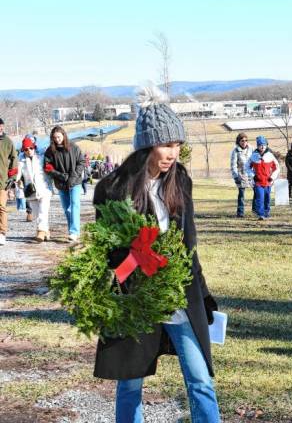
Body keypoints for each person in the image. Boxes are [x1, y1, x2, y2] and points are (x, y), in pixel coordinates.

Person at [93, 85, 221, 423]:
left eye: (177, 145)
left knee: (200, 379)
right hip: (135, 297)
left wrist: (203, 293)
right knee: (130, 384)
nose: (173, 153)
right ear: (147, 144)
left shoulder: (181, 182)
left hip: (180, 295)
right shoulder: (112, 189)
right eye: (166, 144)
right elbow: (107, 252)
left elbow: (189, 245)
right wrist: (136, 256)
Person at [44, 126, 85, 242]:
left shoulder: (74, 147)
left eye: (59, 137)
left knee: (75, 205)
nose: (57, 139)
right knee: (67, 209)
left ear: (64, 135)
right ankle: (71, 228)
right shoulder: (50, 151)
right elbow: (47, 167)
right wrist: (60, 176)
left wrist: (73, 176)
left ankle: (74, 232)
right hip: (61, 183)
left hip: (75, 182)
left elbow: (81, 162)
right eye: (55, 137)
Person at [16, 137, 52, 242]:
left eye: (31, 148)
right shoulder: (20, 161)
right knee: (36, 214)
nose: (29, 151)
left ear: (34, 147)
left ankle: (40, 231)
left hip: (44, 188)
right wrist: (18, 181)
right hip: (30, 191)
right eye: (26, 149)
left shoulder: (41, 157)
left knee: (43, 211)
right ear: (23, 150)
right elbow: (17, 176)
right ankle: (46, 231)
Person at [245, 135, 279, 220]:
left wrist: (272, 177)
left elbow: (277, 167)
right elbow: (247, 167)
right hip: (258, 182)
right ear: (257, 146)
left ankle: (266, 213)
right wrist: (253, 176)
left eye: (264, 144)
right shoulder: (254, 156)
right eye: (260, 145)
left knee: (267, 198)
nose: (262, 146)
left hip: (268, 182)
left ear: (266, 145)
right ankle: (261, 214)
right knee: (260, 198)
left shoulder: (270, 155)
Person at [0, 117, 18, 246]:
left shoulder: (8, 142)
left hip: (3, 181)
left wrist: (12, 178)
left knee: (1, 207)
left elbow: (14, 160)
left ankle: (2, 233)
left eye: (1, 126)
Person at [229, 132, 254, 217]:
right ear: (238, 142)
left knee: (257, 192)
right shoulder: (235, 151)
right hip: (241, 175)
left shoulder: (252, 149)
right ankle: (240, 213)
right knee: (241, 194)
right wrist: (236, 176)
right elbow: (233, 165)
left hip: (251, 174)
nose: (244, 142)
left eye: (246, 140)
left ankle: (256, 210)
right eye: (242, 141)